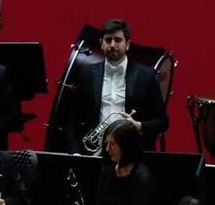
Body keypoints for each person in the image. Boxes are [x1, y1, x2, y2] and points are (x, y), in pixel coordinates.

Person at [57, 19, 168, 150]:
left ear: (127, 44)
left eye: (118, 40)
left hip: (133, 154)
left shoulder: (147, 76)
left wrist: (138, 125)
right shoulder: (87, 74)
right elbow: (71, 119)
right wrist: (76, 153)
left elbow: (162, 122)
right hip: (96, 154)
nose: (112, 44)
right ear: (101, 44)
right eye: (108, 40)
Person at [81, 117, 159, 205]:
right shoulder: (107, 171)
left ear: (126, 146)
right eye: (107, 143)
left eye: (113, 144)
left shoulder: (143, 177)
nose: (107, 149)